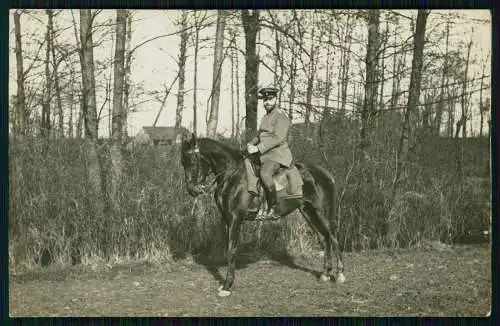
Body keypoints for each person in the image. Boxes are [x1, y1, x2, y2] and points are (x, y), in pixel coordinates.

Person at [247, 86, 293, 216]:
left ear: (276, 99)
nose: (267, 102)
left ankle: (273, 206)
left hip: (277, 155)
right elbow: (260, 135)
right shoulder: (265, 117)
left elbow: (278, 138)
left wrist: (258, 148)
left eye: (270, 99)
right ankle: (254, 202)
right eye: (265, 99)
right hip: (264, 154)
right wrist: (250, 144)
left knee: (265, 173)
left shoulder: (281, 116)